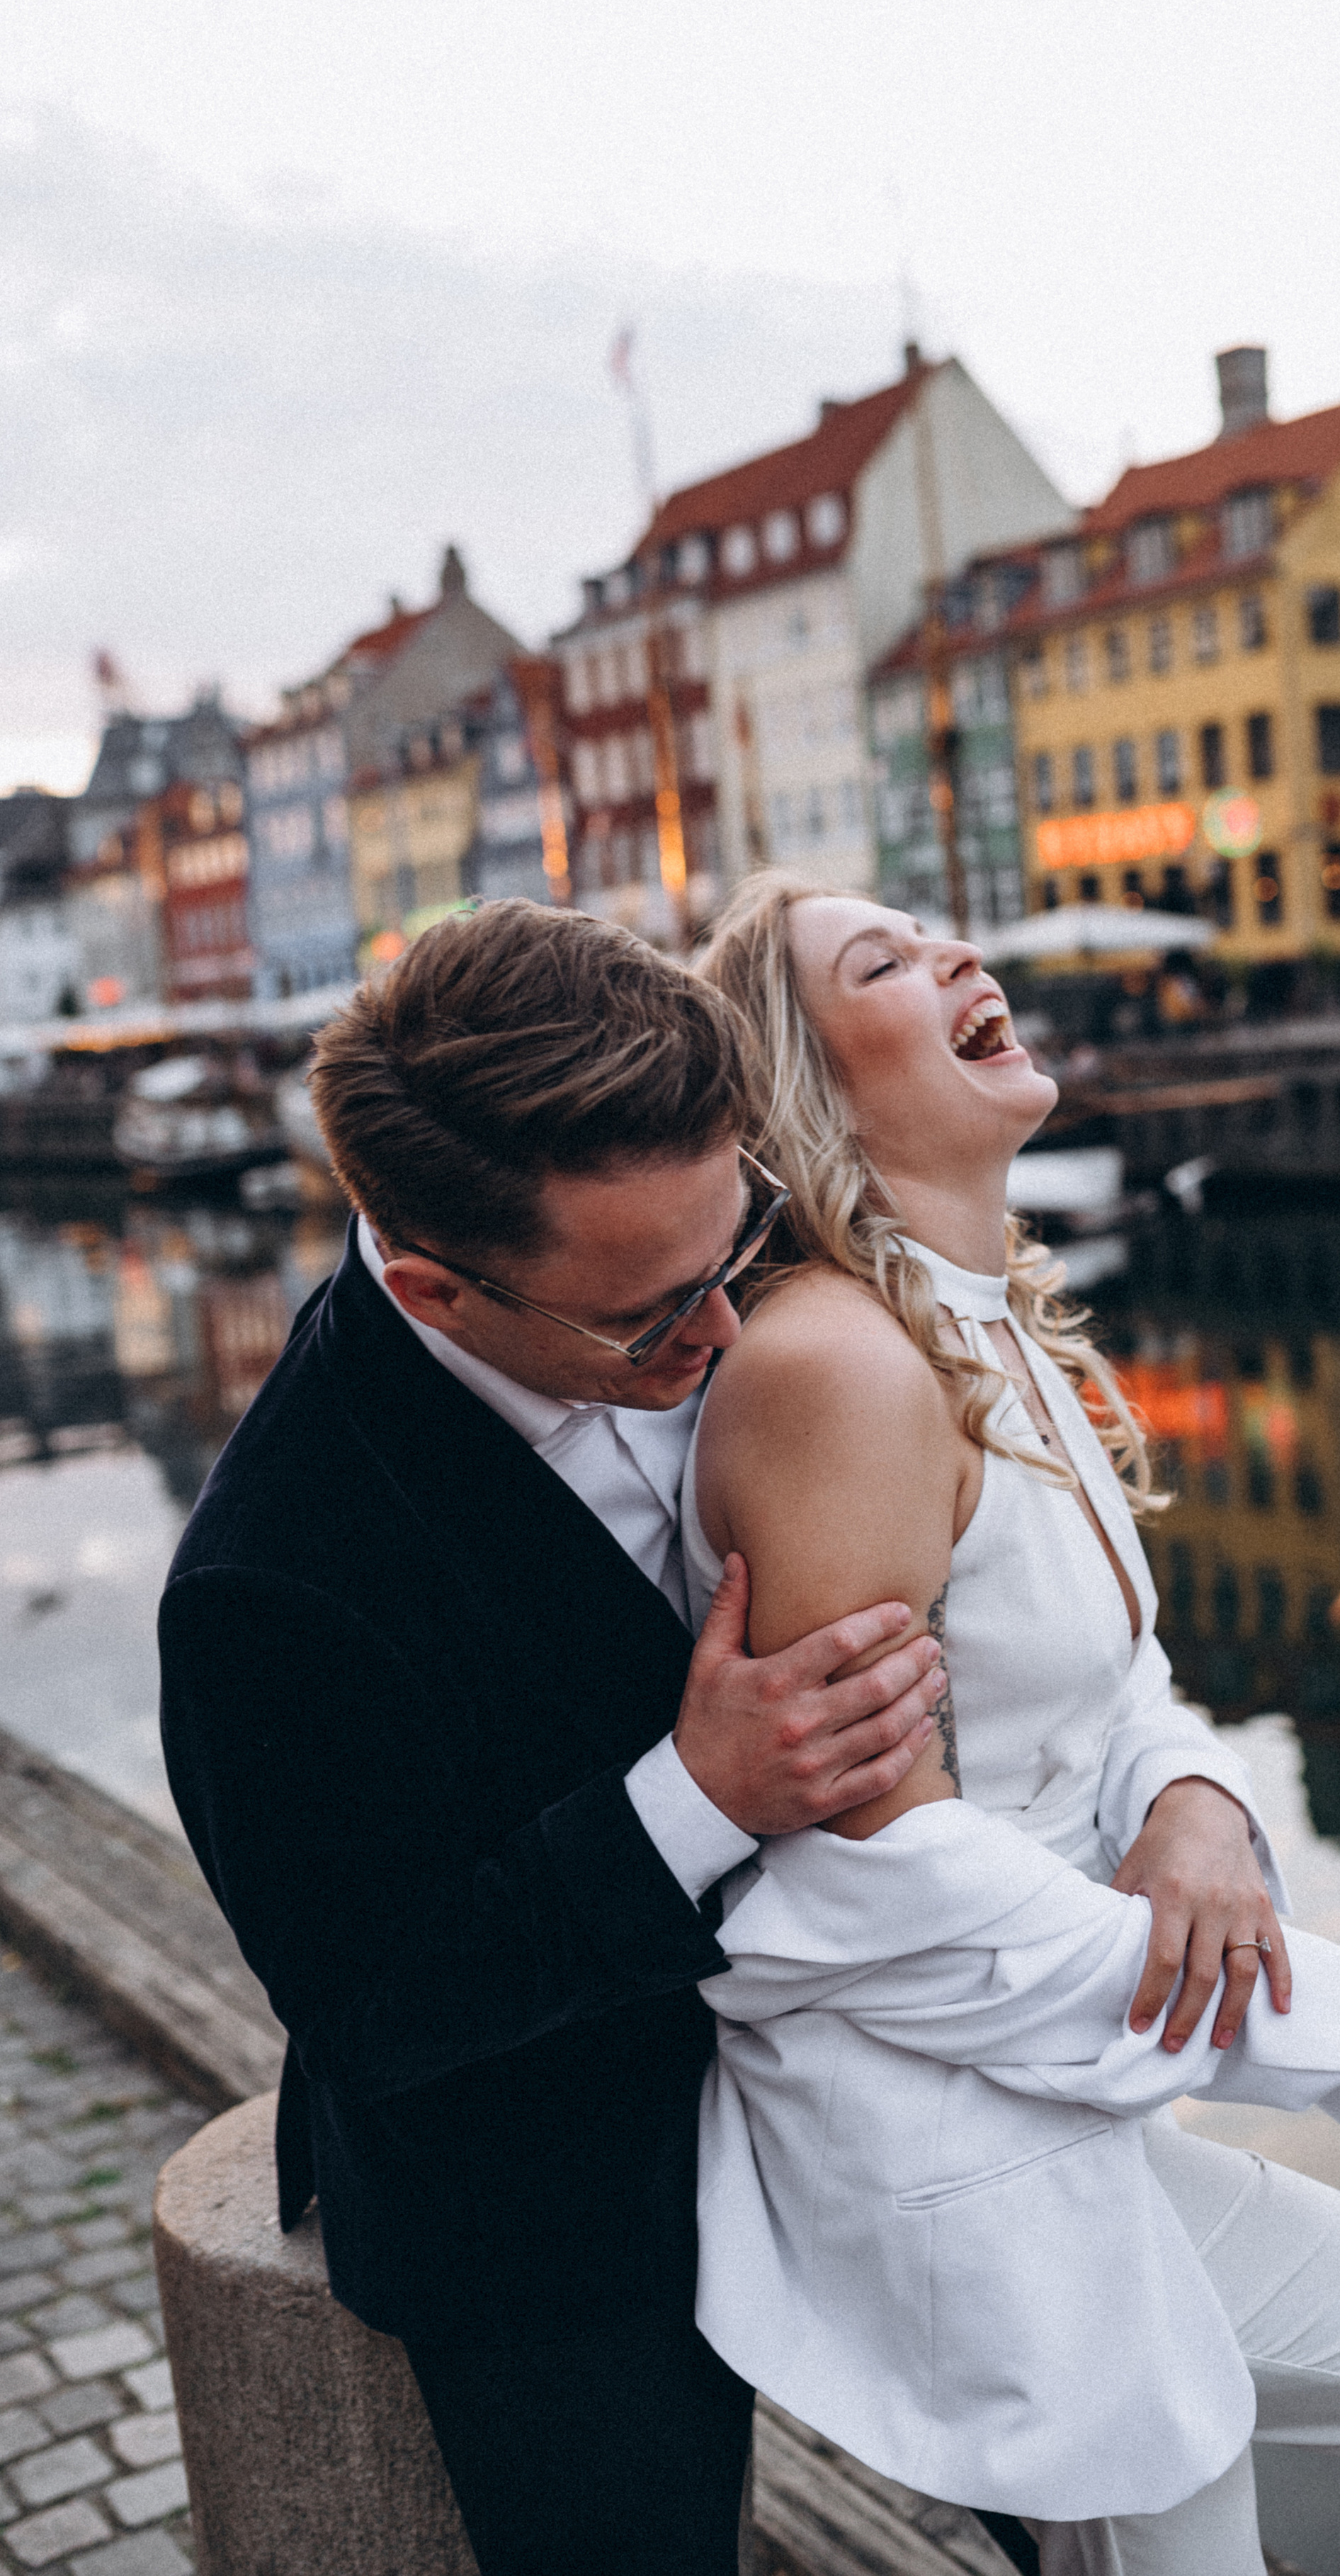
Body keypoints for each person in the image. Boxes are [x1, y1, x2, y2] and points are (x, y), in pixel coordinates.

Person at [685, 873, 1340, 2576]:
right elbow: (868, 1874)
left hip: (1072, 2082)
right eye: (884, 962)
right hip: (960, 2147)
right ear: (807, 1085)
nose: (958, 954)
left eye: (932, 929)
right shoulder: (832, 1370)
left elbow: (1116, 1673)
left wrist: (1196, 1800)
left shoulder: (980, 1322)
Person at [158, 903, 964, 2576]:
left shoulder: (712, 1266)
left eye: (737, 1255)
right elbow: (376, 2002)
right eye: (652, 1318)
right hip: (554, 2206)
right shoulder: (270, 1577)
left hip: (876, 2093)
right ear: (438, 1287)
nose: (728, 1336)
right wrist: (696, 1793)